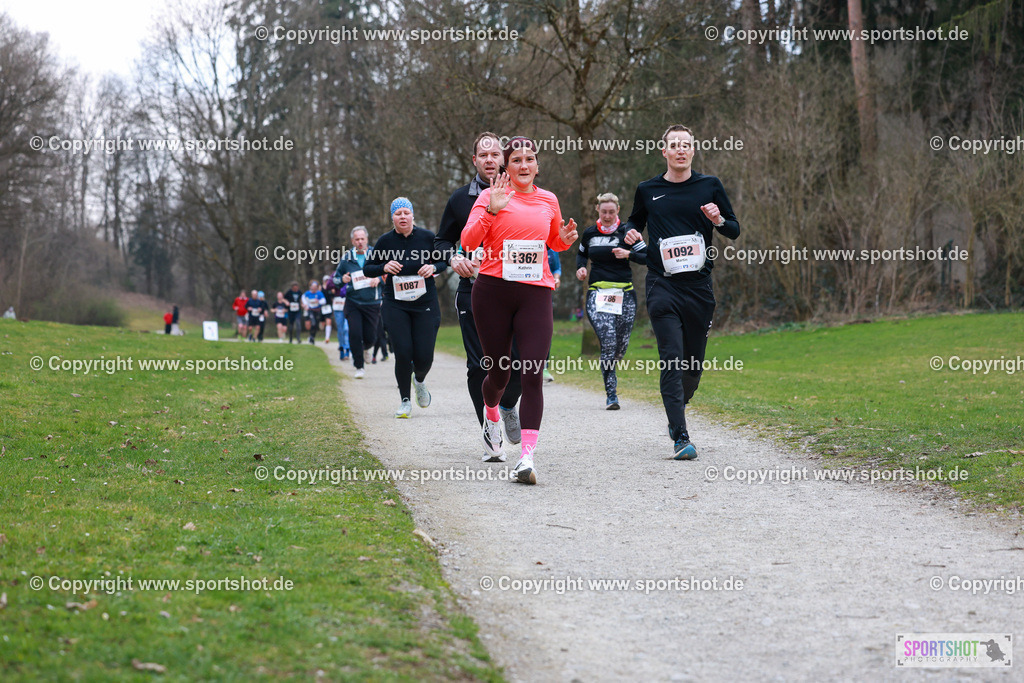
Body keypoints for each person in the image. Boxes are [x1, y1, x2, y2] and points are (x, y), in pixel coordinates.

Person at [461, 136, 578, 484]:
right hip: (492, 293)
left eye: (529, 159)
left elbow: (552, 240)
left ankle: (526, 457)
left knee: (532, 373)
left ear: (537, 165)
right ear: (506, 166)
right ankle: (492, 415)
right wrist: (492, 211)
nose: (523, 165)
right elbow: (468, 241)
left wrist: (563, 241)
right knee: (499, 375)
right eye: (516, 160)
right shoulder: (490, 196)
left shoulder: (549, 199)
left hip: (535, 293)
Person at [622, 124, 740, 460]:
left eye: (685, 144)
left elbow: (734, 229)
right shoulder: (648, 189)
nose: (680, 149)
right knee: (671, 359)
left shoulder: (709, 185)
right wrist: (630, 232)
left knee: (692, 368)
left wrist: (718, 220)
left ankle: (678, 407)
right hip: (662, 285)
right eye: (673, 145)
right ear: (664, 151)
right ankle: (680, 435)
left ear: (693, 150)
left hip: (699, 288)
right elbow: (634, 221)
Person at [434, 131, 523, 447]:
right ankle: (490, 427)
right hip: (473, 290)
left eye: (495, 154)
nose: (489, 160)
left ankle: (507, 404)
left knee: (521, 362)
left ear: (504, 158)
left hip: (516, 292)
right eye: (483, 155)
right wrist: (453, 257)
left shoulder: (521, 193)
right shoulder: (460, 199)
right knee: (479, 366)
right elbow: (441, 241)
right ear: (474, 160)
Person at [362, 197, 447, 418]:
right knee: (402, 352)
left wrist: (433, 267)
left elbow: (444, 261)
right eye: (398, 213)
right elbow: (367, 269)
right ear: (392, 218)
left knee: (424, 356)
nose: (402, 217)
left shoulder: (428, 237)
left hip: (425, 303)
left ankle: (419, 380)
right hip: (395, 304)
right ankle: (405, 401)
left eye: (406, 213)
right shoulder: (385, 241)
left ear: (412, 215)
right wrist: (384, 266)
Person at [576, 192, 647, 409]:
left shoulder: (628, 232)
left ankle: (610, 366)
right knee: (608, 341)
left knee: (619, 348)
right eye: (604, 211)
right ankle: (611, 395)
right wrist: (581, 268)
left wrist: (628, 255)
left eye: (611, 212)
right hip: (597, 293)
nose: (607, 216)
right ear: (597, 209)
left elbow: (648, 257)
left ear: (618, 211)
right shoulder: (589, 233)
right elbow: (581, 254)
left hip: (625, 294)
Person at [333, 227, 383, 379]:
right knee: (354, 334)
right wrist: (342, 280)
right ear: (352, 241)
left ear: (367, 239)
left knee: (371, 336)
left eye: (362, 239)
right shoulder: (347, 258)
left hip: (372, 302)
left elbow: (388, 272)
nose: (360, 242)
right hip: (353, 302)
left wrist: (378, 279)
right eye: (357, 239)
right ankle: (359, 366)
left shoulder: (377, 254)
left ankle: (367, 348)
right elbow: (335, 279)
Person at [543, 247, 561, 383]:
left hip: (544, 292)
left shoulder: (551, 248)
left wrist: (556, 278)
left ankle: (543, 368)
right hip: (520, 291)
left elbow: (557, 268)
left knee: (543, 332)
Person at [323, 274, 350, 360]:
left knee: (347, 329)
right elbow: (328, 285)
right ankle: (341, 348)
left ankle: (347, 349)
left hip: (348, 303)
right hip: (338, 305)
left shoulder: (350, 271)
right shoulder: (335, 274)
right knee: (340, 328)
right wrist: (339, 282)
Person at [301, 280, 326, 345]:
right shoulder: (307, 293)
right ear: (311, 287)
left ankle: (312, 337)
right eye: (313, 287)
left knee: (316, 324)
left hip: (317, 310)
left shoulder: (319, 293)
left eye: (315, 287)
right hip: (310, 310)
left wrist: (318, 301)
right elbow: (303, 298)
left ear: (317, 287)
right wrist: (305, 305)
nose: (314, 288)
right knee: (313, 323)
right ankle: (311, 337)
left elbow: (324, 301)